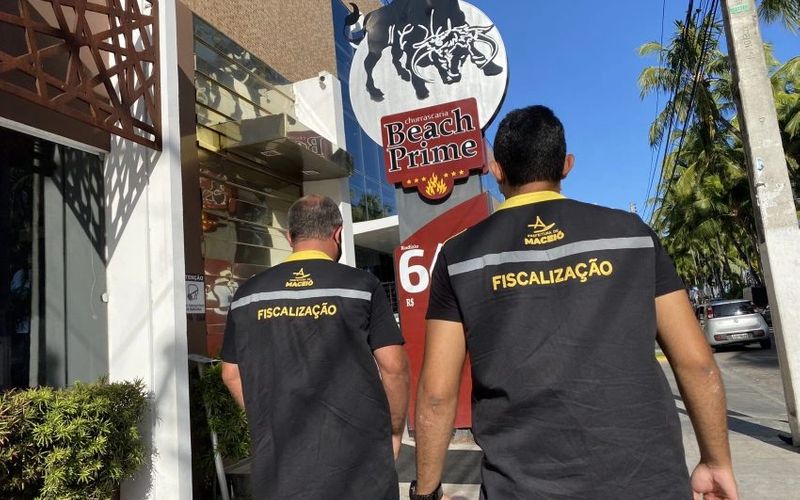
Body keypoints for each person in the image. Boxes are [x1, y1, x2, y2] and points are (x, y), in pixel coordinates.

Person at [411, 106, 738, 500]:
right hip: (647, 483)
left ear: (496, 171)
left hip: (521, 489)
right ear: (566, 165)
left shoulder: (459, 256)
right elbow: (696, 363)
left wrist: (425, 492)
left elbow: (436, 395)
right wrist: (716, 461)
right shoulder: (632, 236)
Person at [221, 194, 409, 499]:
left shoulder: (247, 295)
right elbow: (394, 368)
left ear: (289, 237)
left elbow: (231, 373)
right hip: (359, 463)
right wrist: (395, 431)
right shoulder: (361, 287)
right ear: (338, 233)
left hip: (281, 465)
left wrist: (269, 418)